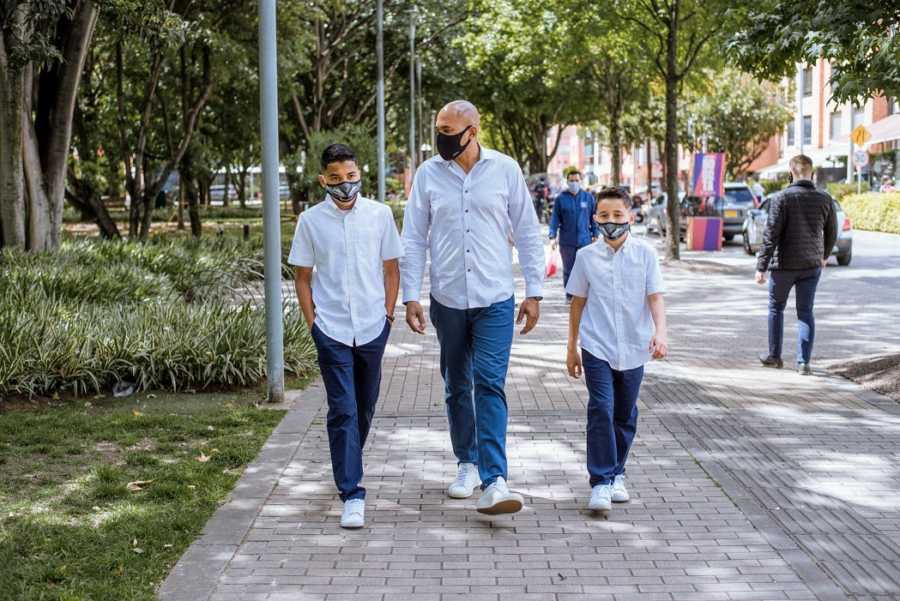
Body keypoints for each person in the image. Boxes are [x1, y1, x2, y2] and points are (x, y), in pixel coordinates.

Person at [401, 100, 545, 515]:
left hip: (495, 299)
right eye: (438, 130)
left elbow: (527, 232)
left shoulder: (505, 170)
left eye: (450, 130)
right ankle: (466, 461)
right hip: (447, 300)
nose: (442, 138)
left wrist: (534, 292)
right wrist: (410, 295)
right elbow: (413, 238)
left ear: (473, 131)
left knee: (488, 383)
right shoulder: (428, 175)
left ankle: (495, 478)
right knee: (456, 385)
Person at [289, 143, 403, 529]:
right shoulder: (310, 221)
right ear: (324, 180)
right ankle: (352, 491)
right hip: (331, 329)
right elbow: (302, 277)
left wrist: (388, 315)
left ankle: (346, 459)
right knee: (343, 409)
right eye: (335, 179)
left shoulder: (380, 215)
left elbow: (391, 269)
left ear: (360, 175)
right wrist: (312, 323)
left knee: (365, 406)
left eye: (350, 177)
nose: (344, 185)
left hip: (373, 326)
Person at [565, 187, 668, 516]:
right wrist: (571, 347)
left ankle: (617, 472)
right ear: (595, 219)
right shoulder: (585, 257)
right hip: (597, 346)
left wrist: (661, 333)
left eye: (618, 215)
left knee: (625, 414)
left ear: (631, 217)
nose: (611, 222)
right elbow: (577, 304)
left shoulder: (645, 255)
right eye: (604, 216)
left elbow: (655, 298)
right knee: (601, 409)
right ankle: (600, 481)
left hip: (635, 346)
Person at [756, 155, 837, 376]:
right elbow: (832, 231)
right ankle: (803, 363)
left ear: (791, 172)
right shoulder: (825, 199)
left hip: (783, 265)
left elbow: (770, 234)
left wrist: (761, 267)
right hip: (811, 265)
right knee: (805, 312)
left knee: (776, 308)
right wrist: (824, 255)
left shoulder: (781, 198)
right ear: (812, 172)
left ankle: (775, 356)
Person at [549, 170, 599, 302]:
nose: (574, 183)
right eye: (571, 180)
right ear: (567, 181)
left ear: (580, 181)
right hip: (567, 241)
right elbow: (555, 219)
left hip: (585, 240)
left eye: (576, 180)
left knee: (585, 269)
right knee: (569, 269)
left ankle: (584, 295)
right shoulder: (561, 199)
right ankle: (570, 295)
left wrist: (596, 234)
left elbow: (593, 218)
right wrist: (552, 236)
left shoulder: (588, 198)